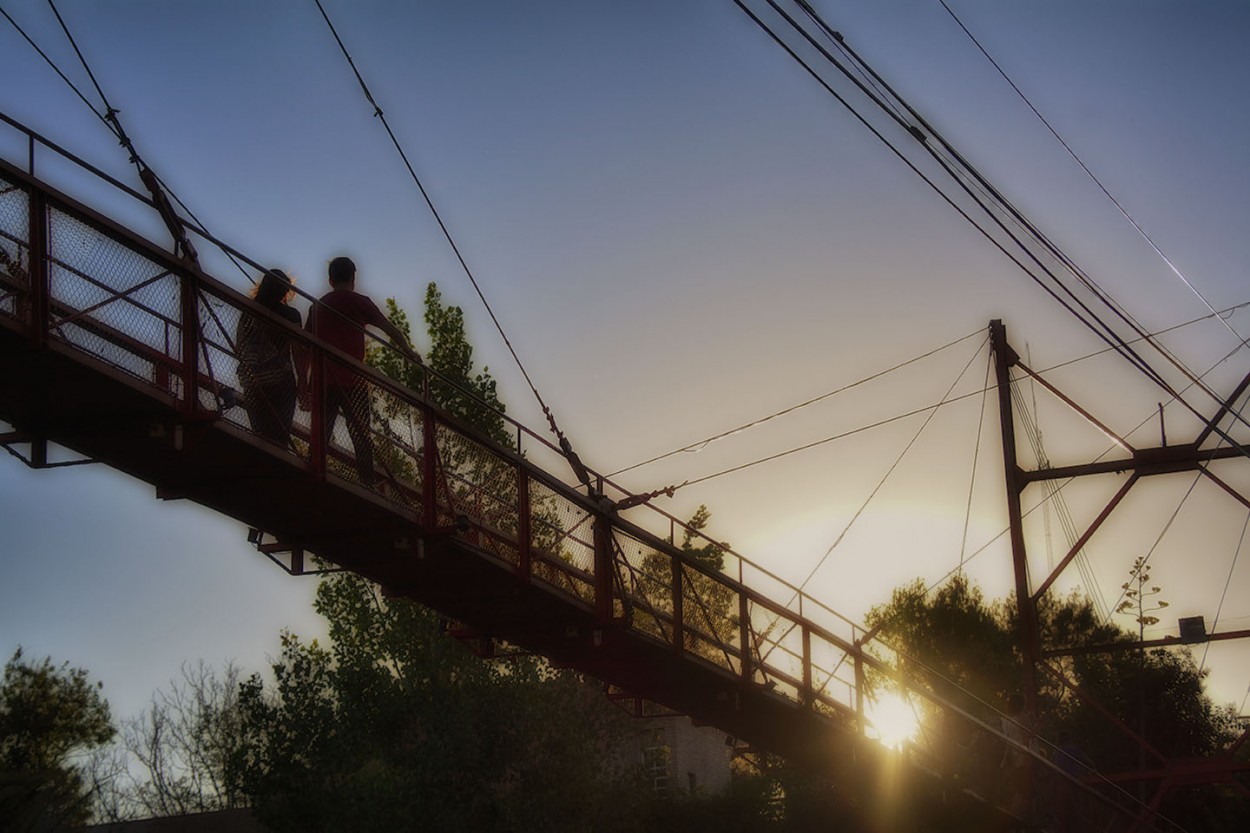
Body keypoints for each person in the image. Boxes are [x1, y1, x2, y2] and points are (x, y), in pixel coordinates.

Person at [303, 256, 421, 487]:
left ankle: (312, 470)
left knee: (321, 432)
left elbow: (305, 346)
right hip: (353, 380)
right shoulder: (360, 303)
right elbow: (391, 330)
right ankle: (366, 482)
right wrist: (407, 350)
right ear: (353, 278)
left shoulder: (317, 306)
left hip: (323, 380)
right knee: (361, 435)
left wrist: (305, 383)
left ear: (330, 280)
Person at [236, 268, 303, 448]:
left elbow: (238, 344)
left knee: (260, 434)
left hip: (253, 379)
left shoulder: (248, 310)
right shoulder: (291, 316)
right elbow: (297, 351)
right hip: (280, 380)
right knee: (280, 435)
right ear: (284, 291)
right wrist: (303, 382)